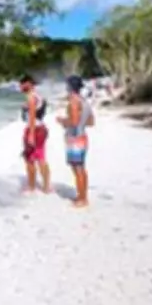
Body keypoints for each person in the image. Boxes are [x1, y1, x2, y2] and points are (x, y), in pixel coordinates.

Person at [56, 75, 94, 208]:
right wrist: (79, 123)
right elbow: (91, 122)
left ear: (70, 87)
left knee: (77, 169)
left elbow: (73, 121)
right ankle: (83, 196)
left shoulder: (73, 101)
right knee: (81, 168)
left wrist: (62, 121)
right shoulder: (85, 102)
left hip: (75, 138)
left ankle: (82, 199)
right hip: (83, 136)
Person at [19, 74, 50, 193]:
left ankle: (31, 186)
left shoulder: (31, 97)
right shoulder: (38, 96)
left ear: (28, 84)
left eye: (22, 84)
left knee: (29, 159)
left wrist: (31, 135)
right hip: (41, 128)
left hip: (34, 129)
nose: (20, 87)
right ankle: (46, 186)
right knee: (41, 157)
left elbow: (31, 117)